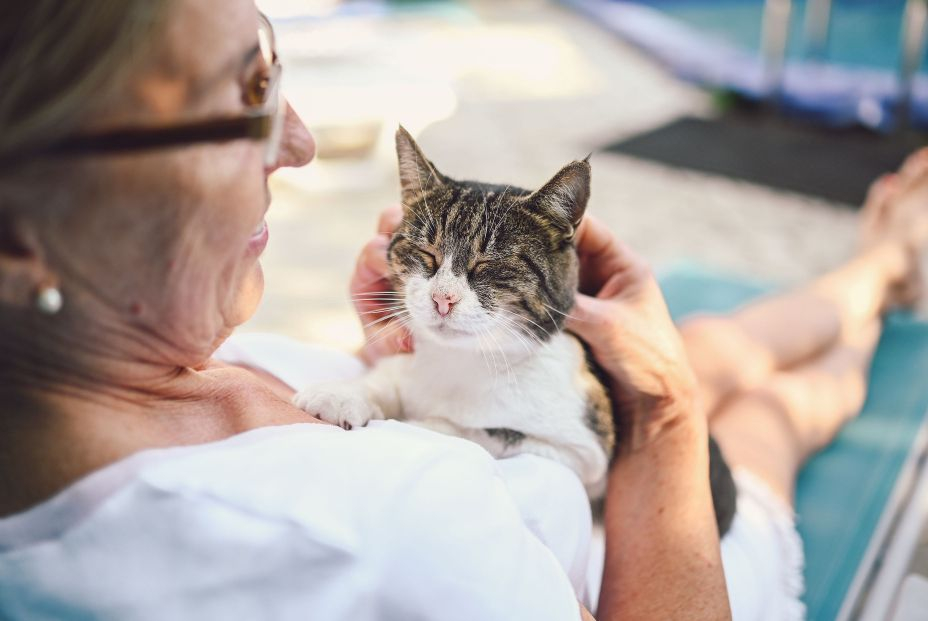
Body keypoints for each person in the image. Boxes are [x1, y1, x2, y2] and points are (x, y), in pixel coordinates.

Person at [0, 1, 925, 619]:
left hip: (536, 419)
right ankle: (885, 279)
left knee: (717, 342)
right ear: (21, 233)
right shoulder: (390, 537)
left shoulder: (111, 353)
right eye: (244, 96)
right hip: (681, 556)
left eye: (277, 76)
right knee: (768, 417)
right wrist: (673, 411)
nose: (302, 141)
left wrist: (395, 367)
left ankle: (876, 266)